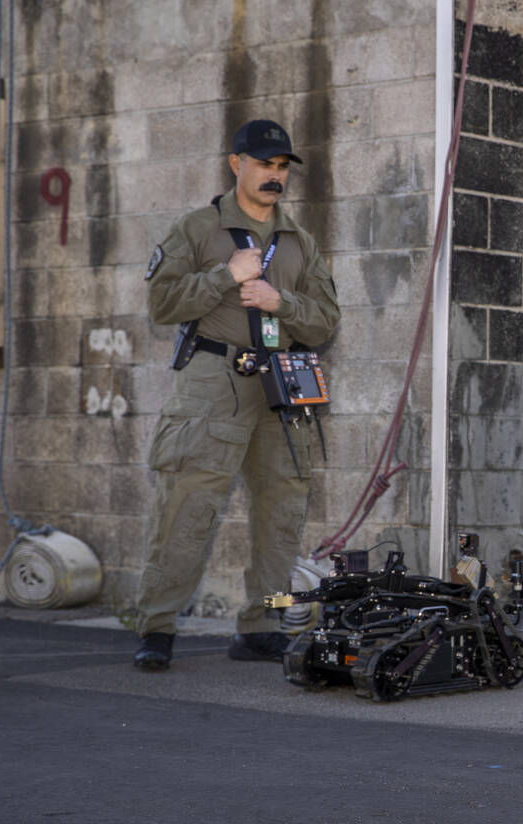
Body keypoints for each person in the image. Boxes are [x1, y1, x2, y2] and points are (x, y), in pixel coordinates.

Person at [133, 120, 340, 670]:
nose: (274, 176)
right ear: (236, 164)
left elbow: (325, 323)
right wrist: (225, 277)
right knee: (187, 509)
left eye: (281, 167)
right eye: (264, 164)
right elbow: (162, 305)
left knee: (282, 517)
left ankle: (263, 623)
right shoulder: (200, 228)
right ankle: (156, 627)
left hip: (283, 385)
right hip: (212, 382)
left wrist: (282, 303)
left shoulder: (300, 241)